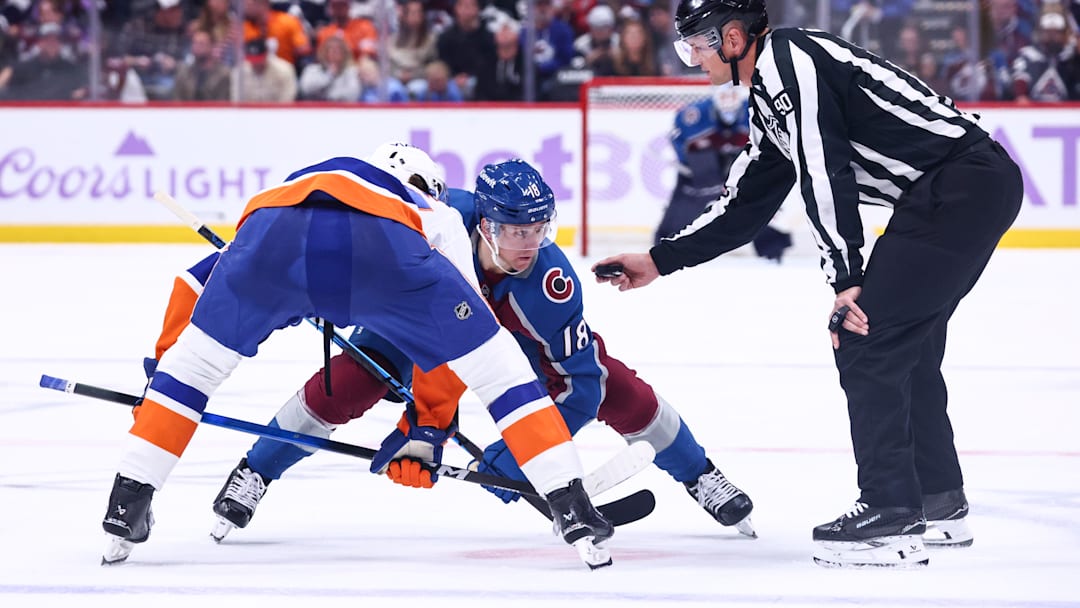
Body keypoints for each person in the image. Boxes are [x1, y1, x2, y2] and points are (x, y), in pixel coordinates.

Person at [593, 0, 1024, 568]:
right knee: (904, 346)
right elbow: (745, 205)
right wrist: (659, 259)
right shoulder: (771, 94)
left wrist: (845, 279)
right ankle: (937, 502)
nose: (693, 60)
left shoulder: (788, 61)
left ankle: (890, 513)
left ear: (732, 38)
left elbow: (826, 171)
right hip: (960, 192)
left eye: (696, 46)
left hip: (959, 188)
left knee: (865, 335)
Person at [101, 143, 615, 570]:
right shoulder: (436, 211)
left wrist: (160, 383)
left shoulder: (295, 186)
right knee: (502, 372)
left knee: (193, 370)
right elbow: (454, 339)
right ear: (426, 188)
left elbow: (192, 283)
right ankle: (570, 505)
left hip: (272, 230)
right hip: (384, 252)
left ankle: (127, 505)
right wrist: (427, 430)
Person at [196, 159, 755, 546]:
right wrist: (426, 429)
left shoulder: (549, 286)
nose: (530, 244)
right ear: (484, 224)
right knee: (350, 380)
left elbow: (580, 386)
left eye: (539, 229)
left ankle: (700, 474)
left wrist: (517, 455)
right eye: (515, 231)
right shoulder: (430, 227)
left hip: (511, 334)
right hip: (417, 318)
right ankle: (254, 471)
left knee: (614, 386)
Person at [653, 84, 792, 262]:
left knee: (754, 205)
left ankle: (772, 247)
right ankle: (662, 251)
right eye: (724, 96)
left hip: (739, 168)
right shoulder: (693, 115)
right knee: (680, 212)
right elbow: (679, 141)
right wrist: (690, 163)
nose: (728, 102)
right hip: (702, 172)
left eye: (732, 96)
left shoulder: (756, 111)